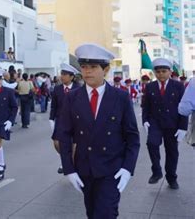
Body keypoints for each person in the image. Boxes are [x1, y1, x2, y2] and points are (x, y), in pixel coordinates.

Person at [57, 43, 140, 219]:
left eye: (93, 67)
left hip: (111, 168)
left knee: (106, 214)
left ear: (106, 69)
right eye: (84, 67)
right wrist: (69, 169)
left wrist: (127, 168)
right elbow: (64, 134)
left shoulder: (121, 98)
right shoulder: (72, 97)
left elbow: (132, 136)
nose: (87, 71)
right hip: (84, 168)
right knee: (92, 212)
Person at [142, 58, 187, 189]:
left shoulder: (178, 86)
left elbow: (184, 107)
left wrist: (183, 127)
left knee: (172, 152)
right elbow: (146, 106)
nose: (161, 74)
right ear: (154, 73)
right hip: (155, 122)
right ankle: (156, 171)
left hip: (172, 124)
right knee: (151, 143)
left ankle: (171, 177)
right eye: (158, 71)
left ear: (170, 72)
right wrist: (145, 120)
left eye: (164, 71)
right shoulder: (150, 86)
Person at [49, 63, 80, 174]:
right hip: (61, 121)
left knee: (73, 145)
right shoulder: (57, 89)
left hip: (75, 121)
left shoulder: (79, 89)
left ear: (72, 77)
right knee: (57, 143)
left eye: (65, 74)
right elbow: (54, 106)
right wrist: (51, 119)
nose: (62, 76)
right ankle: (65, 159)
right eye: (61, 73)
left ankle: (69, 163)